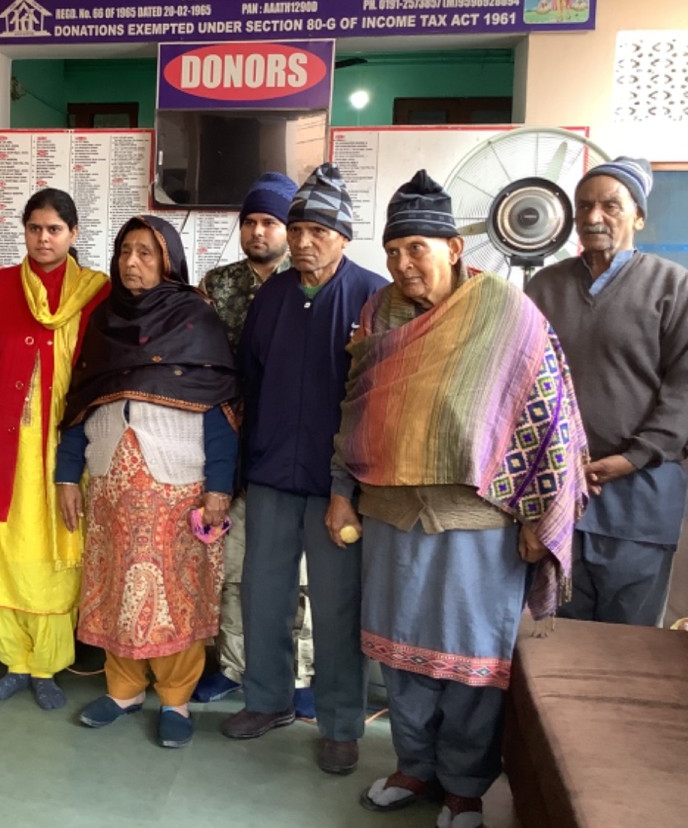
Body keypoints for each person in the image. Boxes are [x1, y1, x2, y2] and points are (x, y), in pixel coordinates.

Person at [330, 171, 587, 828]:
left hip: (479, 522)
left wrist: (537, 512)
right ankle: (413, 767)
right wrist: (341, 493)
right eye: (393, 251)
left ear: (451, 246)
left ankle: (465, 786)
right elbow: (354, 412)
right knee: (400, 654)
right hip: (390, 516)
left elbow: (549, 412)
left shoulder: (504, 309)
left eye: (416, 247)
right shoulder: (378, 314)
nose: (403, 263)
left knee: (473, 663)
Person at [222, 164, 387, 775]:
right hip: (270, 475)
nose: (302, 241)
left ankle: (342, 722)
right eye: (297, 229)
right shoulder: (273, 296)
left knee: (339, 605)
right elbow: (251, 384)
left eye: (318, 230)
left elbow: (378, 401)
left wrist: (356, 483)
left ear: (344, 236)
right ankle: (267, 700)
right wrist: (244, 466)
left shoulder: (372, 296)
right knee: (263, 594)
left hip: (336, 487)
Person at [54, 215, 239, 749]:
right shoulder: (104, 320)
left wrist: (218, 488)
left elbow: (218, 407)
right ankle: (123, 691)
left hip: (178, 486)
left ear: (168, 262)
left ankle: (176, 699)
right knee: (114, 590)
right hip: (110, 485)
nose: (132, 263)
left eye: (146, 254)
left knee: (175, 595)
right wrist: (69, 476)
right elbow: (81, 402)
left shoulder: (196, 318)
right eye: (125, 252)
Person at [0, 188, 109, 709]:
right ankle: (14, 661)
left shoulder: (96, 293)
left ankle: (47, 665)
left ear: (73, 235)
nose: (43, 239)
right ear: (23, 231)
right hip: (5, 451)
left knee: (57, 554)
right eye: (34, 228)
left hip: (71, 450)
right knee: (3, 553)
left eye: (54, 229)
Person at [527, 157, 688, 626]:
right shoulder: (545, 287)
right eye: (585, 206)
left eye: (611, 205)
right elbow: (524, 384)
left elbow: (684, 390)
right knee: (559, 650)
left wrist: (633, 457)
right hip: (560, 497)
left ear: (638, 215)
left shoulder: (672, 288)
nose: (595, 217)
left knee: (626, 656)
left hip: (640, 503)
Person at [193, 171, 317, 709]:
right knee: (235, 568)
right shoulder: (215, 287)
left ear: (290, 228)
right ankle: (235, 666)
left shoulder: (313, 284)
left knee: (301, 578)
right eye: (250, 222)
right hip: (233, 449)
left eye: (270, 222)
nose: (259, 231)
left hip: (298, 451)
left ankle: (302, 677)